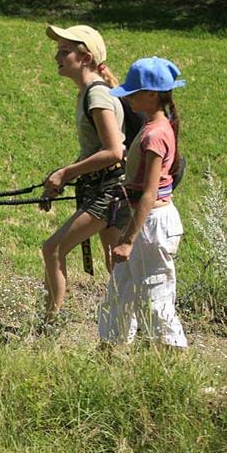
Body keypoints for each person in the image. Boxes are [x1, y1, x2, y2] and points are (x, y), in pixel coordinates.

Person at [41, 25, 130, 322]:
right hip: (106, 187)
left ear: (86, 57)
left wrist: (66, 173)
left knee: (53, 249)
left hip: (109, 190)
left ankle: (50, 323)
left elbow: (114, 151)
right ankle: (128, 325)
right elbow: (97, 150)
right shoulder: (88, 93)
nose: (57, 56)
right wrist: (60, 177)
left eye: (65, 51)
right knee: (115, 262)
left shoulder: (97, 96)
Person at [98, 57, 187, 348]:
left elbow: (149, 193)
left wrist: (127, 240)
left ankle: (171, 359)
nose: (129, 98)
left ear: (152, 95)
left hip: (151, 225)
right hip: (141, 220)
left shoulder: (155, 135)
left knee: (155, 294)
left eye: (134, 93)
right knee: (121, 289)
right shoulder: (155, 125)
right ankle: (109, 351)